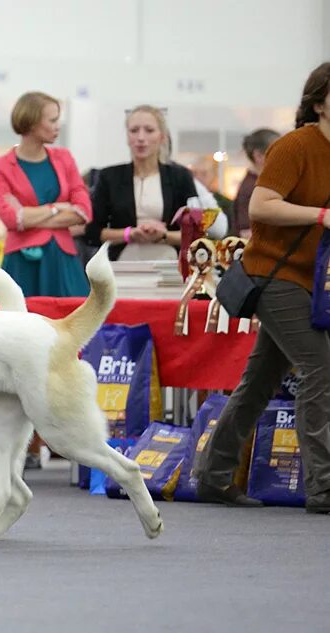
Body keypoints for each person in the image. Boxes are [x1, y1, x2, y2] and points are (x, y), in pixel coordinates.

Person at [196, 62, 330, 514]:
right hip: (275, 276)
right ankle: (324, 487)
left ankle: (213, 476)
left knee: (259, 381)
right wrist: (318, 215)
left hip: (313, 282)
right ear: (318, 102)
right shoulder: (295, 146)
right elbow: (261, 205)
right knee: (320, 367)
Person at [0, 91, 90, 297]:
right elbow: (10, 219)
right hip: (22, 263)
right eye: (52, 120)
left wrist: (27, 216)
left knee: (74, 321)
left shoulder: (64, 158)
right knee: (20, 324)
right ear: (32, 122)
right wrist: (56, 208)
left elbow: (83, 212)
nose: (57, 126)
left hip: (63, 259)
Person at [86, 105, 198, 261]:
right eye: (134, 130)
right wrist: (129, 234)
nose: (140, 138)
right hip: (121, 264)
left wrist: (163, 236)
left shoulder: (180, 177)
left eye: (149, 130)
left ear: (163, 137)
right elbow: (92, 233)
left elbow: (196, 233)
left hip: (169, 265)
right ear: (127, 136)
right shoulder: (109, 177)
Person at [233, 128, 280, 239]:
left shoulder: (260, 184)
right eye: (277, 152)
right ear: (258, 156)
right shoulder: (251, 188)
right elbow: (246, 233)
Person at [192, 156, 234, 234]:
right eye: (195, 173)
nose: (198, 177)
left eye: (204, 174)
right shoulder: (185, 200)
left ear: (213, 176)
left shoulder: (225, 204)